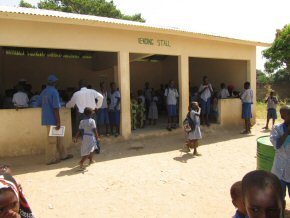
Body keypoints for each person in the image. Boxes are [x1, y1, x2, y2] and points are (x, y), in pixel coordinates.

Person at [38, 75, 73, 165]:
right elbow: (55, 108)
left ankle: (63, 155)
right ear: (54, 82)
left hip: (46, 118)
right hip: (53, 119)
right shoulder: (54, 92)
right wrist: (58, 121)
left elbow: (39, 103)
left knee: (59, 138)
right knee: (52, 140)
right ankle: (50, 159)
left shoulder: (44, 91)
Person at [270, 105, 290, 199]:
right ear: (282, 116)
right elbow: (277, 145)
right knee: (279, 197)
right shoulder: (276, 128)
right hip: (279, 169)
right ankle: (281, 213)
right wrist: (287, 133)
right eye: (288, 114)